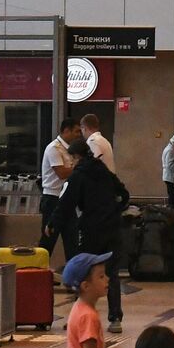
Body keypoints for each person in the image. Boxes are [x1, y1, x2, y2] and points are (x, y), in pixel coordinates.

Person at [46, 141, 129, 333]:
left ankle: (79, 316)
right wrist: (115, 210)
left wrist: (52, 223)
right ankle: (115, 318)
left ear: (76, 156)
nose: (71, 162)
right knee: (111, 273)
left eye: (71, 158)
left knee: (83, 271)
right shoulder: (104, 171)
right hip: (112, 227)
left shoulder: (78, 175)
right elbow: (124, 194)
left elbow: (66, 203)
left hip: (91, 228)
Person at [39, 118, 82, 262]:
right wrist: (80, 166)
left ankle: (73, 271)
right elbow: (61, 173)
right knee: (48, 239)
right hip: (53, 199)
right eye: (76, 131)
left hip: (67, 199)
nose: (79, 135)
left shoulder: (70, 150)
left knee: (72, 240)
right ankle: (38, 270)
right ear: (66, 131)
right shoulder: (54, 148)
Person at [162, 132, 174, 208]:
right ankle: (172, 210)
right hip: (170, 178)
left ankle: (172, 210)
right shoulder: (170, 151)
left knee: (172, 196)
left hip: (169, 177)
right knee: (173, 197)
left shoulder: (169, 149)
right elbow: (170, 165)